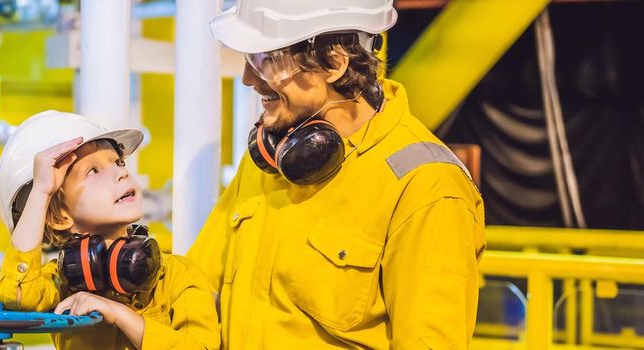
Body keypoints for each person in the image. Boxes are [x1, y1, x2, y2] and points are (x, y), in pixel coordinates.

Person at [187, 0, 486, 348]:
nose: (248, 78)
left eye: (266, 59)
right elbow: (198, 288)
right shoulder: (270, 161)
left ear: (334, 62)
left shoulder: (426, 187)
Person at [0, 110, 220, 350]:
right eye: (93, 171)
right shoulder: (58, 284)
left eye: (118, 162)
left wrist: (120, 315)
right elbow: (16, 297)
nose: (121, 172)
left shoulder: (179, 276)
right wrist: (41, 191)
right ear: (60, 217)